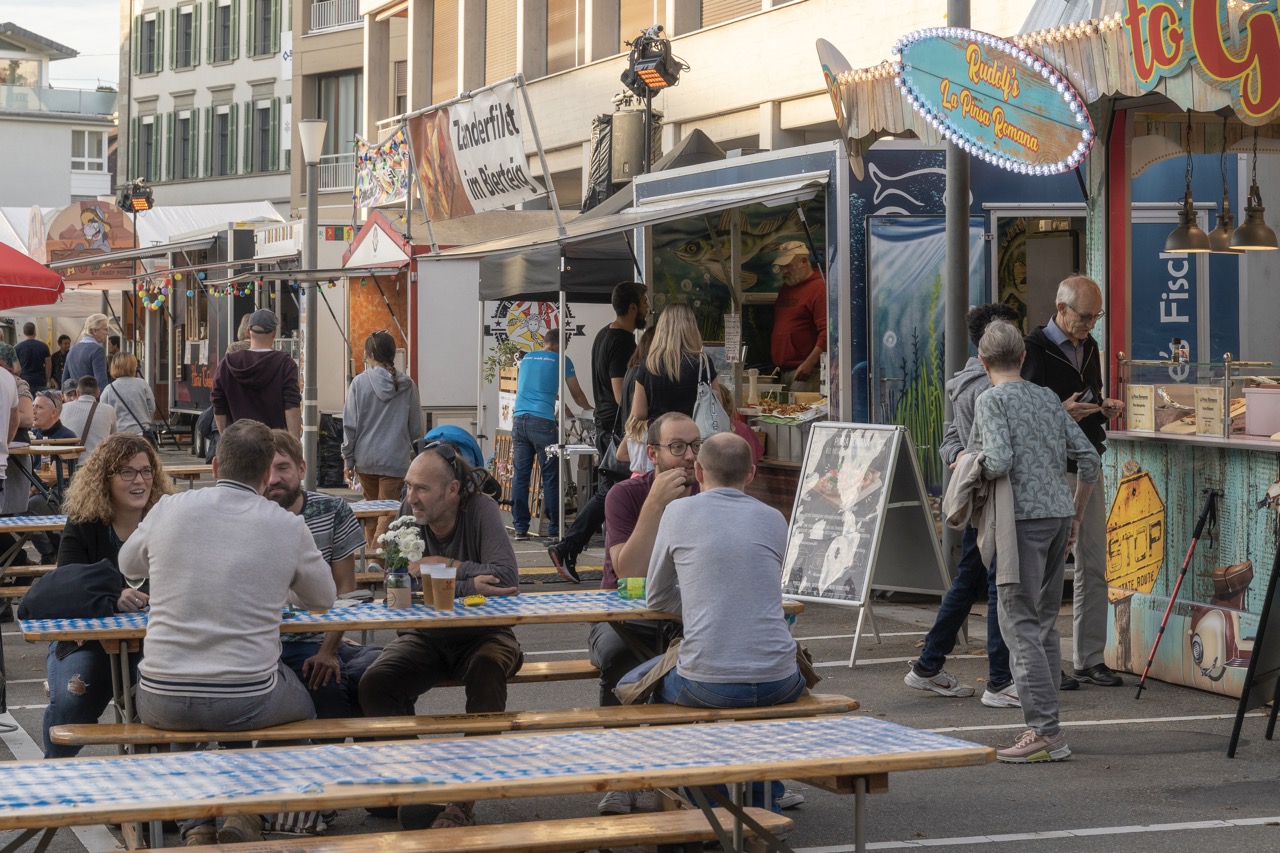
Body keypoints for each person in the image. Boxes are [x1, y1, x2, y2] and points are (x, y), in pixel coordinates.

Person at [121, 419, 336, 845]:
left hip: (160, 694)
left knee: (185, 716)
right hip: (247, 695)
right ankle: (245, 808)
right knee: (298, 708)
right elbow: (324, 597)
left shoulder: (170, 507)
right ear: (264, 475)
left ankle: (196, 823)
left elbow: (129, 566)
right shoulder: (286, 525)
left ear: (215, 465)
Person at [589, 412, 803, 815]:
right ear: (652, 455)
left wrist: (707, 603)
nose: (688, 457)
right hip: (623, 617)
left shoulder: (700, 503)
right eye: (677, 448)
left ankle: (708, 790)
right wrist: (654, 504)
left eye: (694, 446)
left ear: (703, 468)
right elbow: (628, 573)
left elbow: (671, 593)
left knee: (690, 672)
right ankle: (623, 779)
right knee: (622, 659)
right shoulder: (627, 496)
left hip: (690, 636)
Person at [358, 442, 522, 832]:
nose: (410, 497)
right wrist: (467, 581)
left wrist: (442, 565)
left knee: (486, 670)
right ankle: (417, 787)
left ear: (452, 491)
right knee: (375, 684)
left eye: (421, 489)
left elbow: (506, 581)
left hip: (485, 633)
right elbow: (396, 587)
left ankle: (464, 798)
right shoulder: (407, 514)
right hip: (427, 635)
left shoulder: (479, 509)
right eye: (408, 487)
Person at [646, 432, 804, 811]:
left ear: (698, 470)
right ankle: (765, 803)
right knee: (754, 714)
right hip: (781, 679)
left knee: (655, 690)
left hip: (707, 682)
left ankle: (711, 805)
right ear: (750, 473)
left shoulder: (678, 512)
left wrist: (703, 601)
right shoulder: (773, 518)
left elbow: (656, 596)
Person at [966, 321, 1099, 763]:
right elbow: (1089, 457)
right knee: (1041, 621)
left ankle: (1045, 731)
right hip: (1057, 514)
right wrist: (1076, 513)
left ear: (984, 363)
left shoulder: (990, 400)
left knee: (1018, 622)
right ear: (1023, 357)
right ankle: (1047, 725)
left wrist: (970, 466)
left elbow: (999, 459)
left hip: (1017, 521)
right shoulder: (1045, 396)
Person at [905, 303, 1019, 706]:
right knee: (993, 584)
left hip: (976, 496)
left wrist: (958, 458)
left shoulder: (963, 383)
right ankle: (1001, 679)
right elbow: (996, 449)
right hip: (995, 497)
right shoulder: (990, 387)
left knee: (970, 579)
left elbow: (951, 437)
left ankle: (928, 665)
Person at [40, 434, 174, 758]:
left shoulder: (169, 521)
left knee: (166, 702)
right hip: (88, 638)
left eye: (145, 471)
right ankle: (52, 773)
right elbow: (67, 583)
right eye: (127, 472)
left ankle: (156, 791)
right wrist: (114, 596)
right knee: (73, 699)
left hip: (157, 641)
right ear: (105, 479)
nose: (139, 480)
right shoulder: (85, 522)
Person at [1022, 275, 1125, 689]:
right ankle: (1049, 663)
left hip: (1088, 460)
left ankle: (1090, 658)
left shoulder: (1091, 346)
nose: (1090, 325)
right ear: (1060, 309)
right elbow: (1024, 414)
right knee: (1047, 572)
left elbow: (1090, 397)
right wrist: (1060, 412)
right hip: (1049, 466)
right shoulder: (1033, 350)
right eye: (1084, 317)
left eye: (1096, 317)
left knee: (1093, 564)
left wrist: (1104, 408)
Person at [266, 430, 380, 721]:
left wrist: (328, 650)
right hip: (270, 645)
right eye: (265, 469)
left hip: (324, 639)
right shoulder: (249, 515)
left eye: (282, 467)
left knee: (385, 675)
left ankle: (387, 756)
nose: (273, 478)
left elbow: (346, 590)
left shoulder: (331, 509)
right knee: (330, 689)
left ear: (301, 468)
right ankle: (334, 761)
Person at [547, 282, 647, 581]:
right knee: (612, 492)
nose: (648, 308)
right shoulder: (622, 342)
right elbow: (621, 394)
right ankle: (568, 546)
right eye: (644, 302)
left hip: (606, 425)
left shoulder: (604, 334)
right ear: (632, 307)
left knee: (612, 492)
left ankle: (573, 548)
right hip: (616, 428)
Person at [341, 330, 423, 553]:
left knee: (372, 513)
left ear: (369, 354)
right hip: (395, 460)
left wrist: (347, 459)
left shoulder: (359, 383)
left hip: (365, 460)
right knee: (387, 513)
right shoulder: (408, 385)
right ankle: (376, 560)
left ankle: (373, 560)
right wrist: (418, 457)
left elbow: (350, 425)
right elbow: (416, 428)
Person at [510, 324, 592, 541]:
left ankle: (520, 528)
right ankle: (556, 528)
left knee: (521, 476)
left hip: (519, 421)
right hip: (543, 424)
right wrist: (591, 411)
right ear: (559, 344)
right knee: (551, 476)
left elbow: (543, 393)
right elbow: (576, 394)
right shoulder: (562, 361)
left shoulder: (526, 359)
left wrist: (566, 411)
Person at [210, 309, 301, 436]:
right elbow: (292, 407)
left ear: (248, 331)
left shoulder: (227, 363)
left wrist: (226, 438)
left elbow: (218, 406)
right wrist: (293, 444)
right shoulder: (285, 364)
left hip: (238, 443)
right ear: (274, 333)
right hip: (274, 444)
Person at [630, 303, 718, 424]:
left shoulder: (649, 364)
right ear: (692, 328)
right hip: (694, 434)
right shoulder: (703, 362)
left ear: (661, 329)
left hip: (660, 436)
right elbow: (717, 404)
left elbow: (639, 413)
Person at [769, 241, 827, 392]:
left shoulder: (820, 288)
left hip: (808, 372)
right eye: (782, 267)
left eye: (788, 266)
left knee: (798, 413)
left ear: (804, 262)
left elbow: (828, 331)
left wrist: (810, 363)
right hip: (784, 370)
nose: (784, 271)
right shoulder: (786, 288)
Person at [100, 353, 155, 439]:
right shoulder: (142, 384)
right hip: (141, 431)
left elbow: (104, 413)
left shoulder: (109, 389)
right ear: (132, 366)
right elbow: (151, 407)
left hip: (119, 433)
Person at [61, 375, 117, 454]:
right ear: (98, 393)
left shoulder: (63, 408)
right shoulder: (109, 410)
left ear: (77, 392)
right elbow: (113, 439)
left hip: (70, 462)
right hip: (97, 463)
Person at [62, 313, 110, 390]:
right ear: (94, 331)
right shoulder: (97, 350)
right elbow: (101, 382)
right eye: (105, 329)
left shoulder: (72, 350)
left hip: (75, 398)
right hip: (91, 398)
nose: (108, 333)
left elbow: (65, 381)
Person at [15, 323, 51, 392]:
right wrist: (48, 379)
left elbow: (17, 368)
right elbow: (48, 366)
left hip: (24, 380)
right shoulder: (44, 346)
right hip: (40, 380)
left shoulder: (17, 348)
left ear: (24, 332)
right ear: (35, 331)